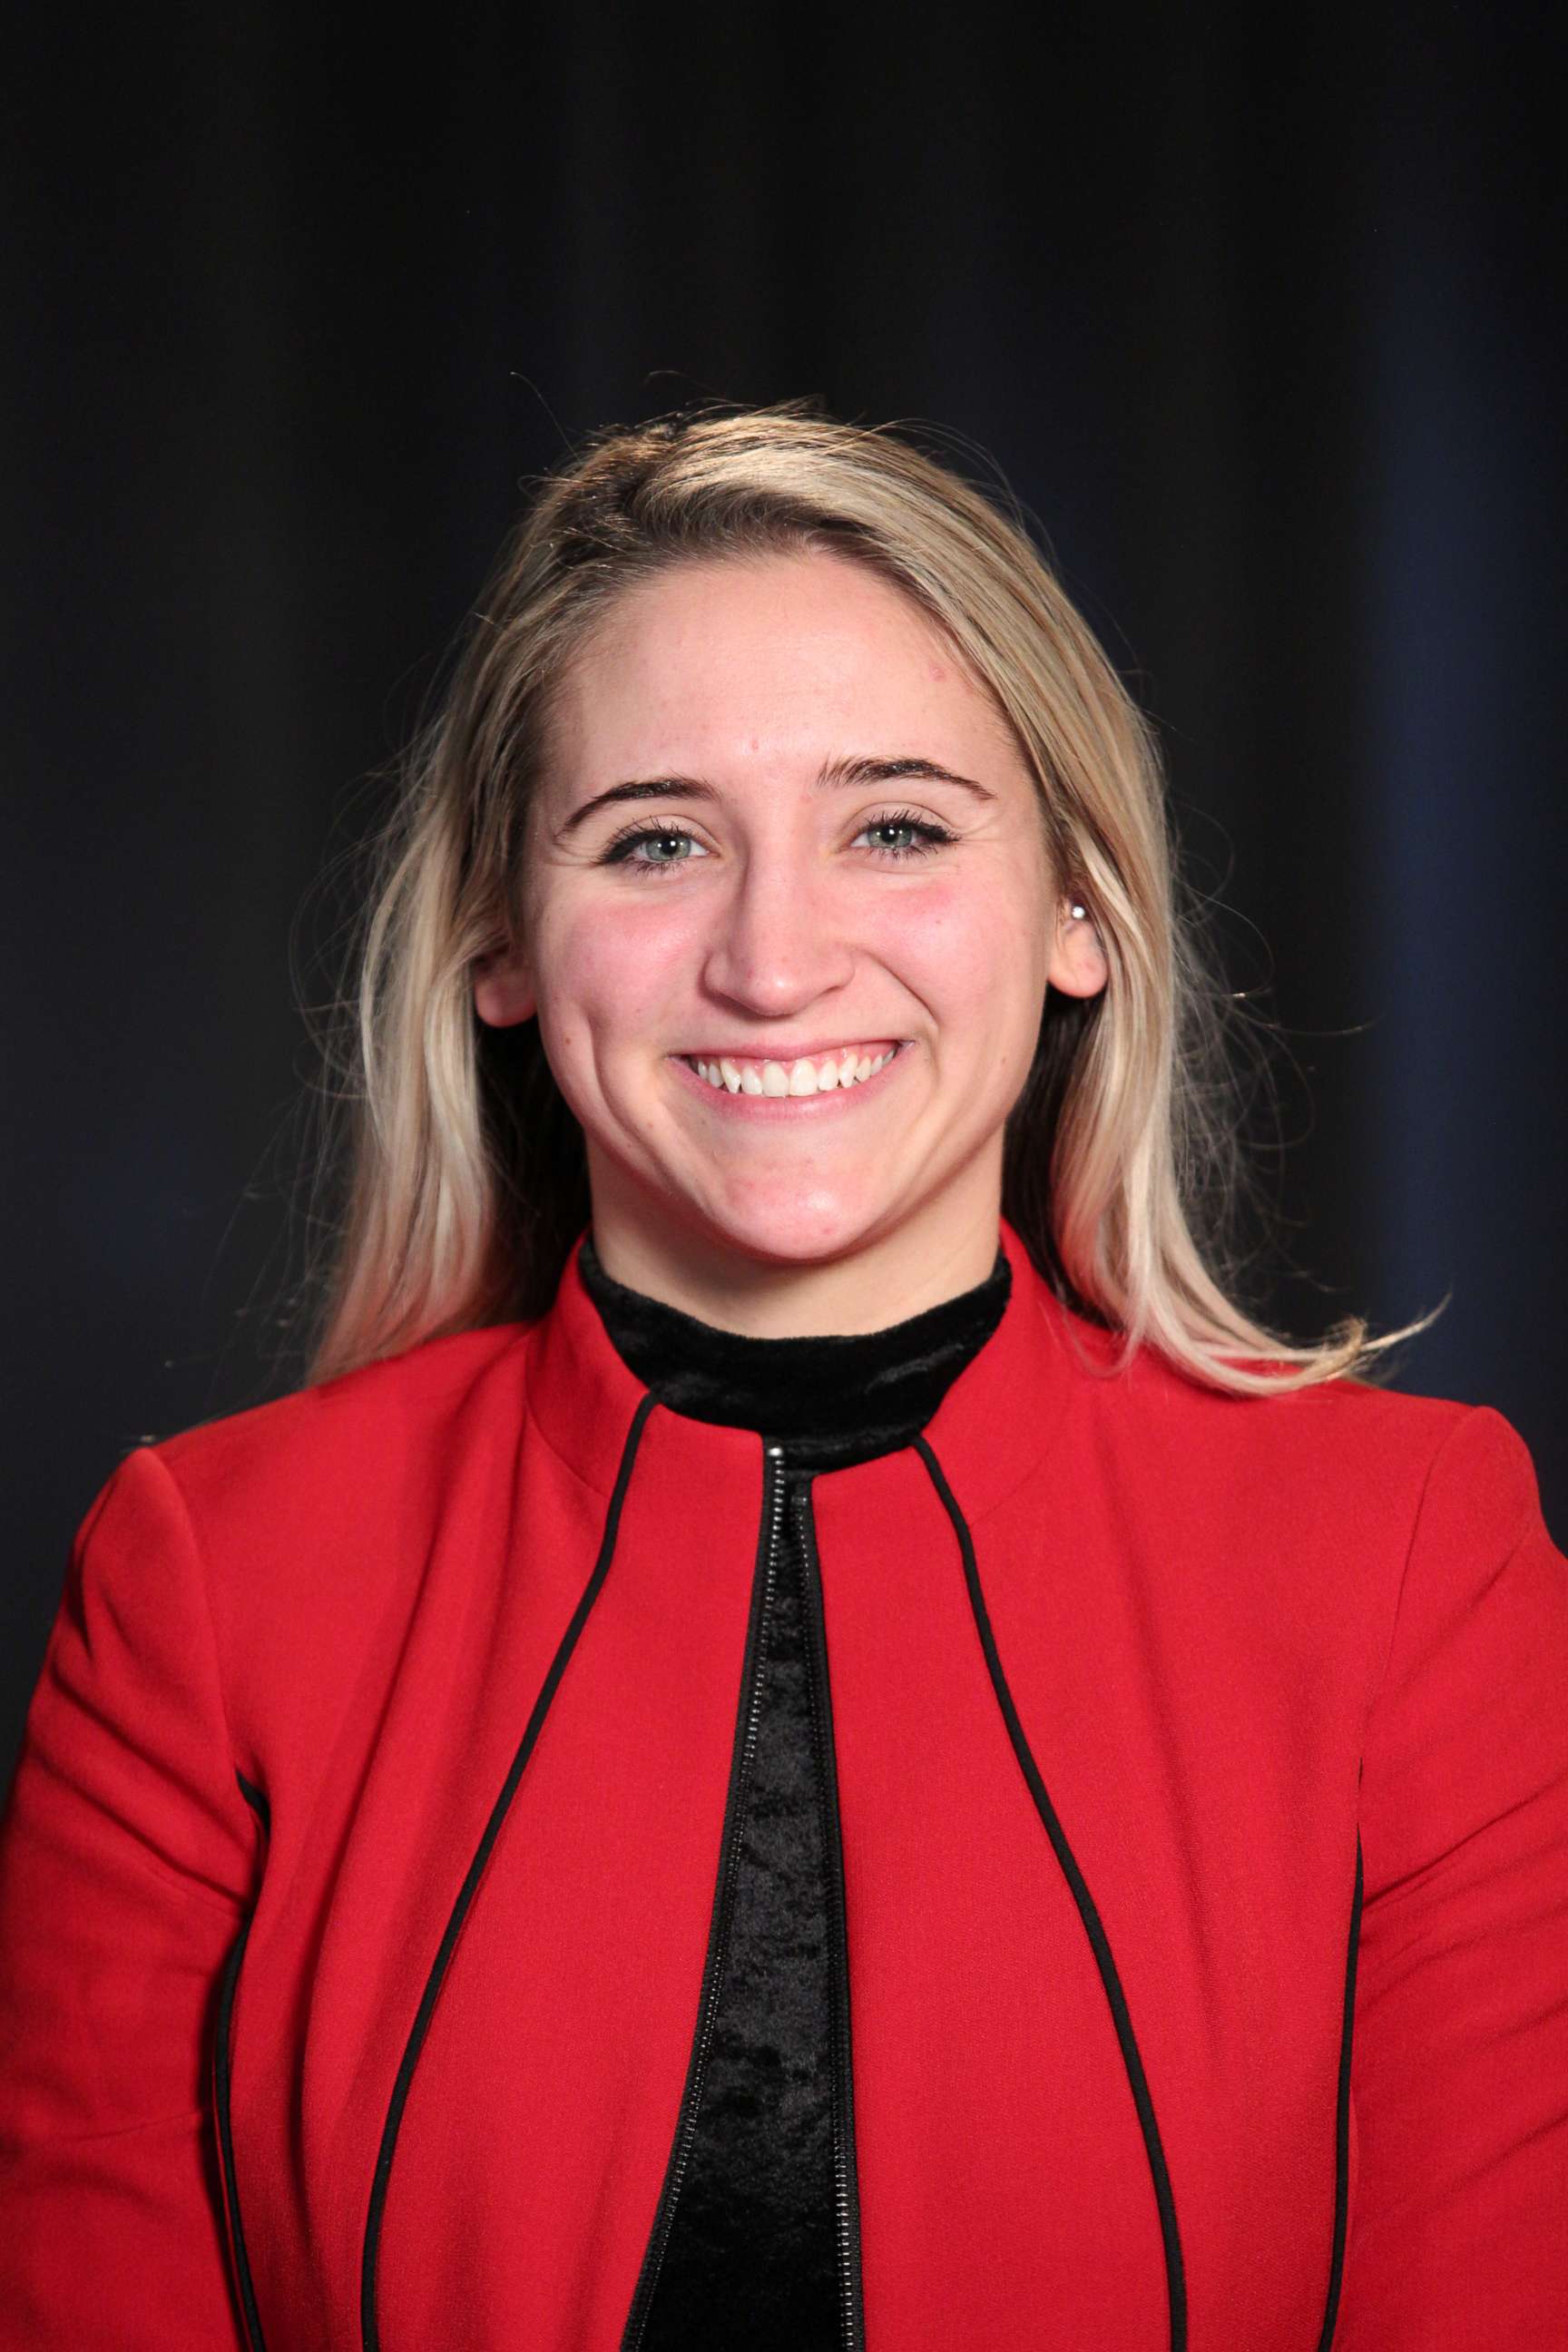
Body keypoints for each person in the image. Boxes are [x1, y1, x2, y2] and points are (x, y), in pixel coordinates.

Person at [1, 403, 1563, 2352]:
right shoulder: (208, 1591)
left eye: (894, 825)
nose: (771, 955)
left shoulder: (1413, 1559)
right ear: (502, 940)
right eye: (656, 842)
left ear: (1080, 911)